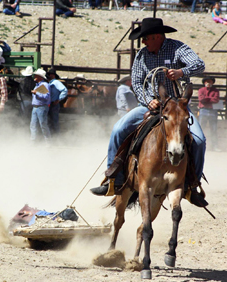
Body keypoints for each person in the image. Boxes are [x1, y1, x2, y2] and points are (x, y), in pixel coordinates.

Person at [90, 18, 208, 209]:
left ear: (157, 36)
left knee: (200, 141)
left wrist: (181, 72)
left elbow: (199, 65)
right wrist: (148, 100)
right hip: (150, 105)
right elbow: (136, 82)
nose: (143, 42)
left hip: (177, 108)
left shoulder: (178, 49)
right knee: (119, 128)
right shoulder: (142, 56)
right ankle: (115, 179)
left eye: (145, 38)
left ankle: (191, 186)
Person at [30, 68, 52, 142]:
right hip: (37, 107)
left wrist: (37, 93)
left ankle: (47, 141)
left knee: (42, 125)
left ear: (40, 77)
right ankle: (34, 141)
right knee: (34, 125)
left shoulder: (44, 85)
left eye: (36, 75)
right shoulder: (39, 85)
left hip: (41, 107)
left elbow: (46, 97)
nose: (34, 76)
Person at [199, 77, 219, 151]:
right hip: (203, 110)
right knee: (201, 128)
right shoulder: (201, 90)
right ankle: (200, 146)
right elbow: (201, 99)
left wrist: (206, 99)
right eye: (207, 81)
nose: (208, 83)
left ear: (212, 83)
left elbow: (216, 100)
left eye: (210, 82)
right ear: (204, 83)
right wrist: (210, 99)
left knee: (213, 129)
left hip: (212, 111)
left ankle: (214, 146)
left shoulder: (216, 91)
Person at [46, 69, 67, 136]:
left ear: (54, 75)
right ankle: (54, 136)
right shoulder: (51, 82)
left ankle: (56, 136)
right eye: (49, 74)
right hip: (50, 104)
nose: (50, 75)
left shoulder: (55, 82)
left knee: (54, 121)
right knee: (51, 121)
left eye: (51, 74)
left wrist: (58, 99)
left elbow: (64, 90)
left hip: (53, 104)